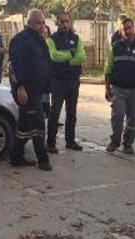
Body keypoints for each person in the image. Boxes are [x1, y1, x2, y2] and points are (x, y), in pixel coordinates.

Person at [8, 9, 52, 171]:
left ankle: (15, 157)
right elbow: (14, 66)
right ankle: (43, 160)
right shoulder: (21, 40)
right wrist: (20, 87)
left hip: (38, 90)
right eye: (39, 23)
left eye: (43, 23)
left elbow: (44, 63)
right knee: (38, 125)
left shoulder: (39, 40)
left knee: (24, 127)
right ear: (30, 23)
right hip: (26, 90)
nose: (42, 26)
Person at [104, 18, 135, 154]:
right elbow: (108, 69)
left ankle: (128, 144)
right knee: (118, 116)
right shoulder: (115, 47)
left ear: (134, 28)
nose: (126, 30)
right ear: (120, 30)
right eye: (124, 28)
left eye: (129, 27)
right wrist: (107, 89)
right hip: (118, 89)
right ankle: (115, 141)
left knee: (132, 119)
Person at [45, 13, 85, 153]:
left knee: (72, 113)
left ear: (70, 22)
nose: (64, 24)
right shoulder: (51, 40)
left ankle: (70, 141)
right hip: (58, 81)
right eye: (62, 21)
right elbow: (54, 56)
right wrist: (70, 55)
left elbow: (82, 57)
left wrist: (66, 59)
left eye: (67, 21)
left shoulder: (76, 39)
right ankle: (50, 143)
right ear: (57, 23)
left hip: (73, 81)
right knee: (54, 113)